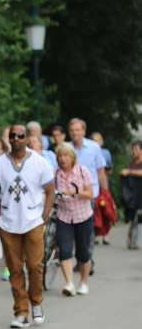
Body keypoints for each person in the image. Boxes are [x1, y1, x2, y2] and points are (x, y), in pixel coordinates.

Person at [0, 124, 54, 329]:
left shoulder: (39, 162)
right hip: (8, 223)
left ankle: (36, 303)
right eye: (13, 136)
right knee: (15, 269)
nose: (16, 139)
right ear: (9, 139)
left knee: (35, 266)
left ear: (27, 138)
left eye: (20, 136)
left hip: (33, 221)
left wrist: (44, 216)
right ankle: (21, 311)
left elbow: (51, 190)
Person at [53, 143, 94, 296]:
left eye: (66, 156)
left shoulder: (83, 171)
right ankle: (69, 284)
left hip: (83, 216)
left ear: (72, 157)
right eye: (60, 156)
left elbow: (90, 194)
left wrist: (75, 192)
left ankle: (83, 283)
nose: (63, 159)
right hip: (64, 217)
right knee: (64, 250)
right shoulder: (55, 174)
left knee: (83, 253)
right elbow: (50, 193)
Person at [68, 118, 108, 255]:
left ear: (84, 131)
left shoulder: (94, 147)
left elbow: (101, 171)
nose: (75, 133)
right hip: (71, 195)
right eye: (72, 130)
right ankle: (81, 257)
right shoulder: (66, 148)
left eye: (78, 130)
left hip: (90, 194)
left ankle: (87, 259)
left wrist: (106, 193)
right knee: (73, 229)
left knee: (87, 229)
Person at [121, 140, 142, 249]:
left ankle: (133, 240)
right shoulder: (133, 162)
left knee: (137, 218)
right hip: (134, 195)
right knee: (134, 218)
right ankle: (131, 241)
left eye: (136, 149)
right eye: (133, 149)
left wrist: (129, 172)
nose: (133, 151)